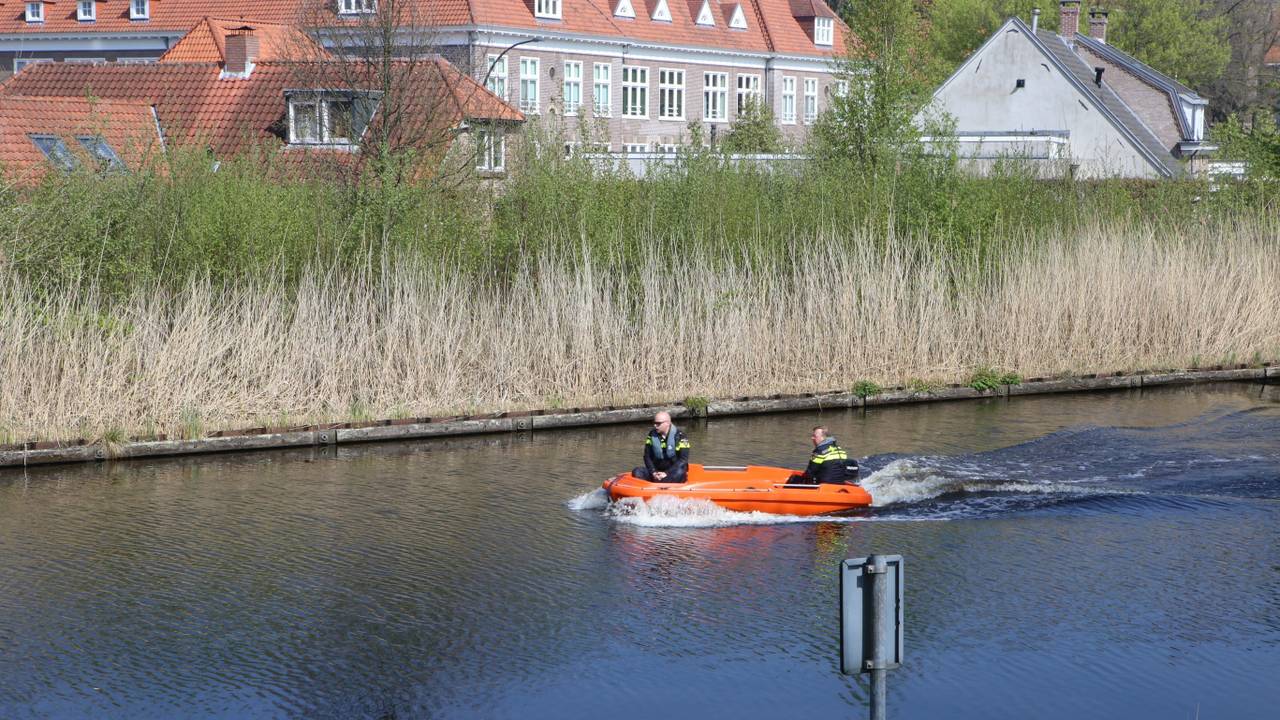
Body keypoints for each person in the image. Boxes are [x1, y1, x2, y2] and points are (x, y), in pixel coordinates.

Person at [633, 411, 691, 484]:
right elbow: (647, 456)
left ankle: (661, 485)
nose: (655, 425)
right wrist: (653, 472)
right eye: (654, 423)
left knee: (680, 472)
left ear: (667, 423)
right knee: (637, 471)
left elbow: (683, 459)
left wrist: (666, 473)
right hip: (657, 472)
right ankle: (655, 484)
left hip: (672, 472)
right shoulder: (651, 435)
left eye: (658, 423)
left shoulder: (680, 436)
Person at [788, 426, 859, 485]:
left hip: (824, 485)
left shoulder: (819, 451)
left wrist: (798, 480)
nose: (812, 438)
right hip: (839, 484)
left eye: (814, 436)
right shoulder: (840, 450)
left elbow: (810, 472)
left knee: (793, 479)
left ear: (822, 438)